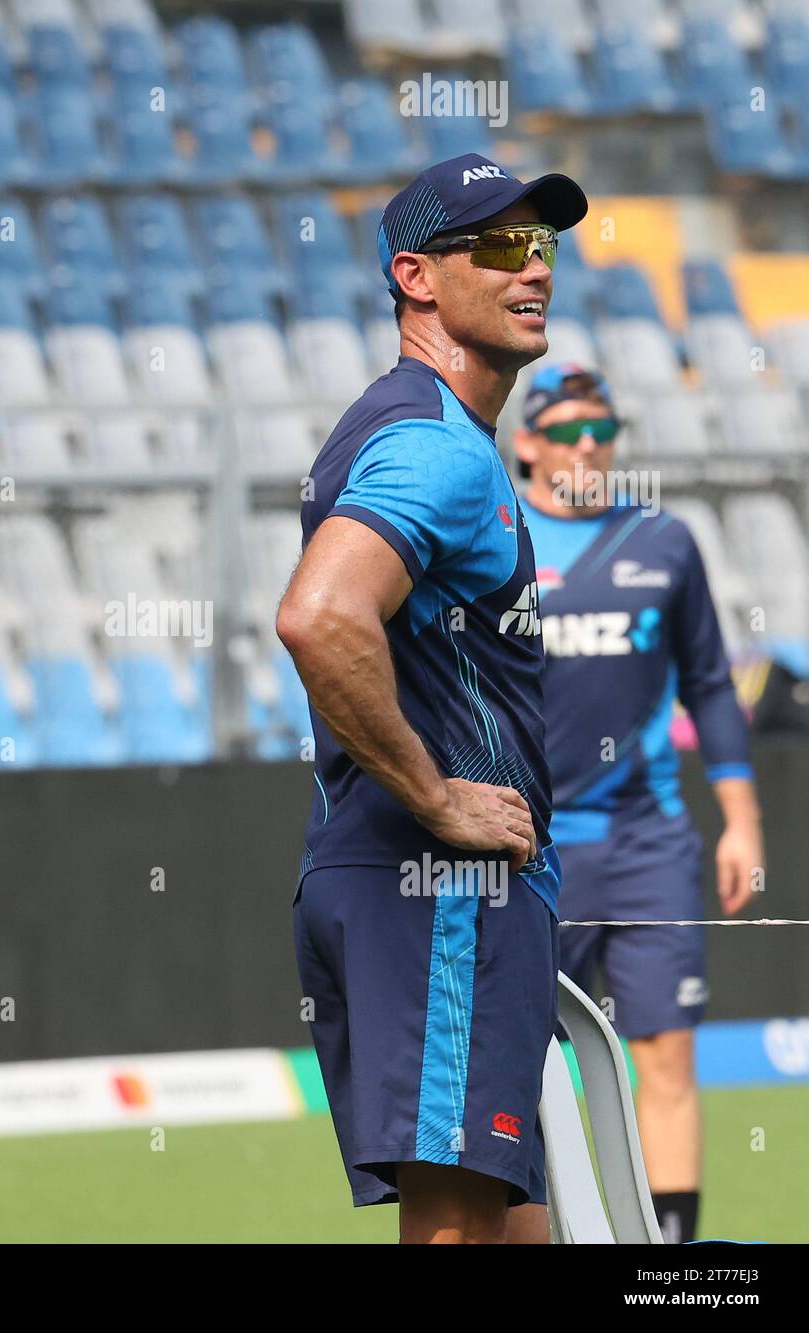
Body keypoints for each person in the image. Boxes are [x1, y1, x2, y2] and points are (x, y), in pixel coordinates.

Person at [277, 152, 587, 1244]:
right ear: (415, 275)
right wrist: (440, 799)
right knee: (455, 1230)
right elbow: (317, 616)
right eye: (500, 244)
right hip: (439, 891)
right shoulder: (430, 446)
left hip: (426, 891)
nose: (535, 268)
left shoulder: (422, 432)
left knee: (514, 1231)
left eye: (543, 244)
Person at [514, 363, 762, 1244]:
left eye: (603, 430)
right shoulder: (495, 540)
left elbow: (711, 687)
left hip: (649, 839)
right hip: (533, 849)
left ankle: (671, 1256)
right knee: (529, 1065)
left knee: (664, 1050)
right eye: (571, 430)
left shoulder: (664, 542)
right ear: (528, 443)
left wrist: (741, 821)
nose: (590, 446)